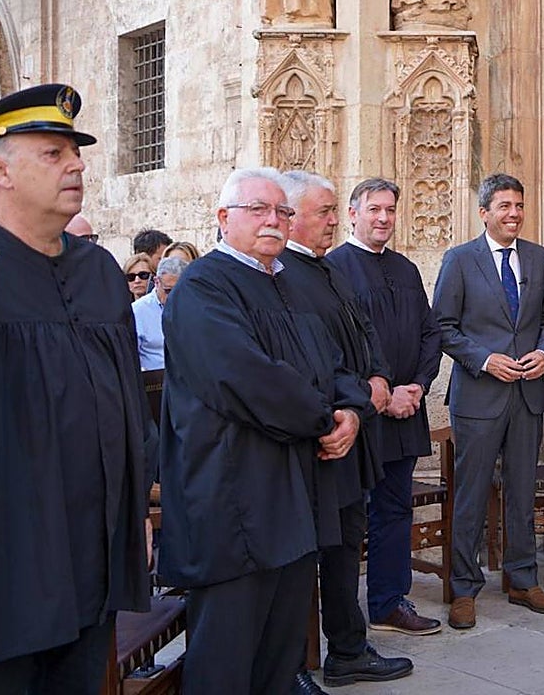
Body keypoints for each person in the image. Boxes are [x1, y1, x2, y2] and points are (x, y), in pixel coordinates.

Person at [0, 83, 155, 694]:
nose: (77, 164)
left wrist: (136, 508)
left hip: (93, 549)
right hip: (2, 558)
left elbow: (125, 400)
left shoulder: (101, 270)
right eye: (53, 154)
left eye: (75, 153)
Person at [159, 167, 365, 695]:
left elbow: (334, 363)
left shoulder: (287, 284)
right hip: (236, 498)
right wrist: (325, 419)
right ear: (224, 218)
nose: (273, 220)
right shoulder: (204, 288)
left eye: (282, 212)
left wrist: (352, 411)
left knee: (281, 649)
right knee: (228, 655)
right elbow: (247, 378)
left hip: (295, 495)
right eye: (258, 210)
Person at [280, 170, 411, 692]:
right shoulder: (283, 275)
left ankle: (348, 649)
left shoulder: (327, 270)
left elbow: (362, 333)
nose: (334, 221)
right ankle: (289, 664)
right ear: (291, 217)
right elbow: (302, 361)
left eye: (335, 212)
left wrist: (378, 376)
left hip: (356, 431)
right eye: (325, 212)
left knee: (344, 549)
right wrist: (353, 402)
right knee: (301, 559)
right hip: (322, 436)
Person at [432, 172, 544, 629]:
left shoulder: (538, 257)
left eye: (519, 206)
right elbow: (443, 327)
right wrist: (485, 360)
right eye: (504, 206)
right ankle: (464, 589)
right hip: (479, 395)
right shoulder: (460, 259)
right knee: (470, 494)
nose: (514, 214)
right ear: (484, 212)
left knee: (523, 491)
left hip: (527, 394)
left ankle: (523, 580)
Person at [326, 178, 444, 636]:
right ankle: (342, 616)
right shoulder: (334, 269)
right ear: (353, 214)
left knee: (395, 509)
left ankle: (389, 602)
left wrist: (415, 385)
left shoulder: (406, 269)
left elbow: (429, 333)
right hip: (360, 414)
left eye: (391, 210)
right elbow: (334, 347)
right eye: (374, 209)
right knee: (351, 515)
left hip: (405, 411)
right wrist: (380, 395)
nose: (383, 218)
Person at [132, 255, 187, 371]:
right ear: (156, 282)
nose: (172, 297)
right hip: (154, 382)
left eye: (178, 291)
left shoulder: (191, 307)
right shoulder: (138, 311)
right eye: (168, 291)